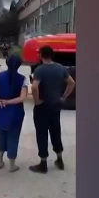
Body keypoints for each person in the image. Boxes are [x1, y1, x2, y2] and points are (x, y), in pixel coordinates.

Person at [29, 45, 76, 173]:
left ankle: (43, 163)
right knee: (56, 130)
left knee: (42, 133)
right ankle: (59, 159)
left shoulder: (39, 70)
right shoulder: (60, 68)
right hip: (56, 105)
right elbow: (72, 83)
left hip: (43, 106)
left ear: (41, 55)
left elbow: (34, 87)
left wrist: (37, 100)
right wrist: (63, 97)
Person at [0, 54, 28, 172]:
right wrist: (9, 102)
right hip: (16, 112)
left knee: (1, 136)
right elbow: (22, 98)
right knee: (13, 137)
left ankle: (0, 162)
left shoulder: (0, 76)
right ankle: (12, 165)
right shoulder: (22, 79)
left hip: (1, 110)